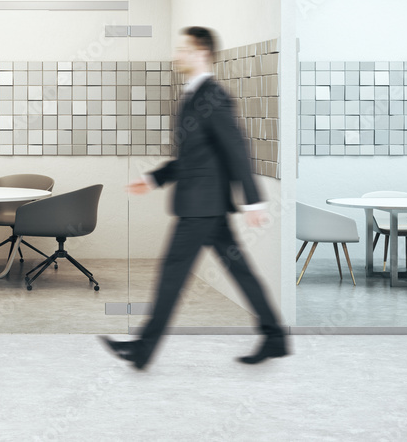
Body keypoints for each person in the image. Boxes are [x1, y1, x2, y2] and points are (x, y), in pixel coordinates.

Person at [99, 26, 288, 370]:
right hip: (207, 207)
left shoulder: (213, 96)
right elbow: (193, 158)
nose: (177, 55)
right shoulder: (192, 95)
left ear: (201, 52)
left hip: (201, 207)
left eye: (183, 49)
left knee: (172, 273)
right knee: (240, 270)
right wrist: (155, 178)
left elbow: (236, 149)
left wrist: (254, 200)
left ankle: (143, 350)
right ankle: (275, 336)